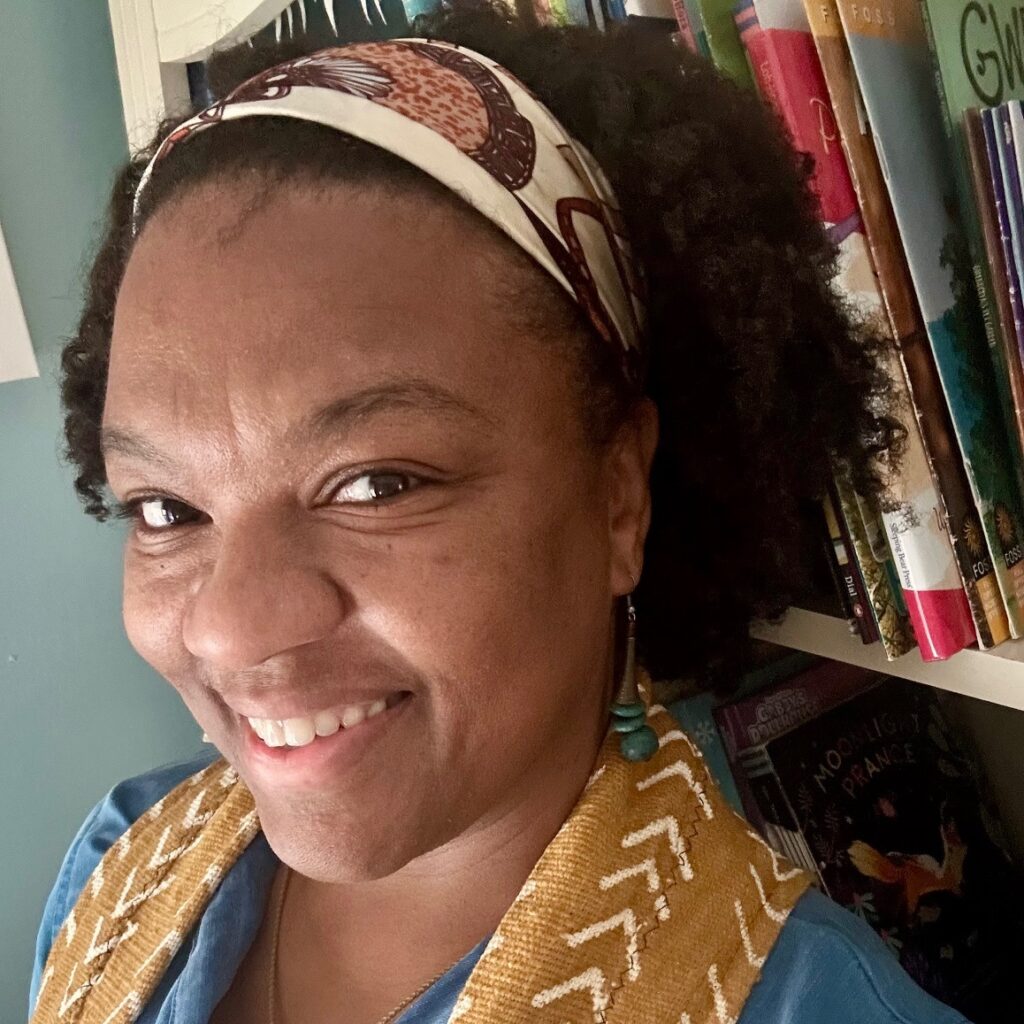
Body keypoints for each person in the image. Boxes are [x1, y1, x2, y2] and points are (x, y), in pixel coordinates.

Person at [28, 4, 970, 1022]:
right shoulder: (122, 859)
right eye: (166, 507)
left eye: (376, 484)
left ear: (618, 494)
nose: (230, 628)